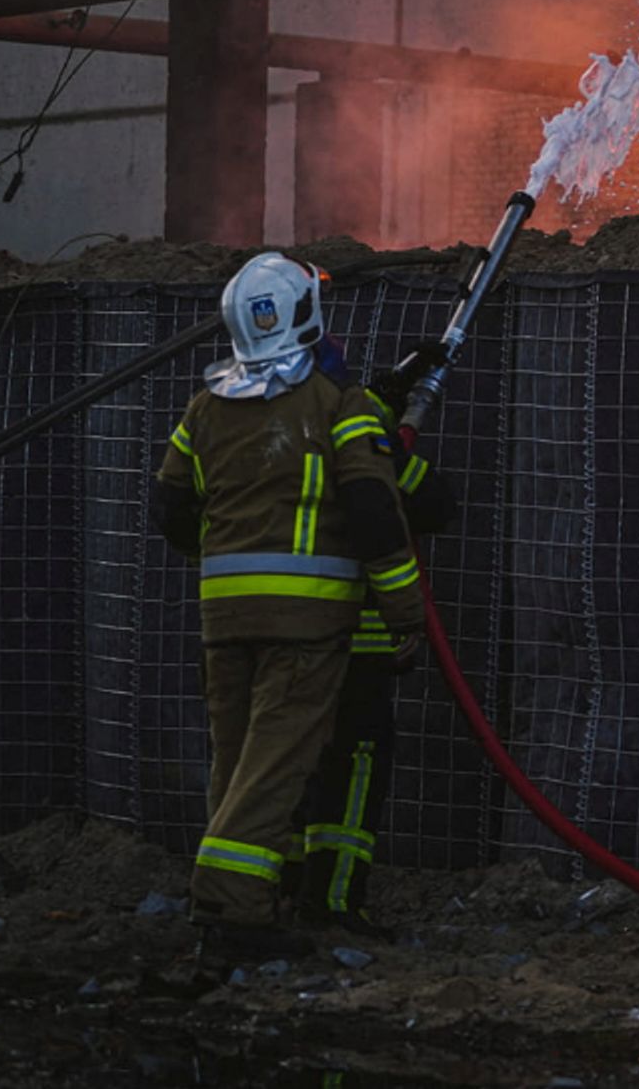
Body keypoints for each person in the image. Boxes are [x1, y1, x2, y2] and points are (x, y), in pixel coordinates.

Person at [152, 254, 429, 973]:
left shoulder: (204, 409)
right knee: (275, 765)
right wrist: (404, 612)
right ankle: (230, 906)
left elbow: (170, 510)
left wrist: (229, 559)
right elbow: (374, 514)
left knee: (238, 763)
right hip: (305, 628)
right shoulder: (336, 405)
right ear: (306, 314)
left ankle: (240, 900)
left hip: (224, 621)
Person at [295, 336, 454, 932]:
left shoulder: (246, 426)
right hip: (352, 643)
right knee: (353, 768)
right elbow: (426, 504)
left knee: (281, 766)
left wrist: (382, 403)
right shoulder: (358, 443)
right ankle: (333, 903)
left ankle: (272, 894)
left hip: (274, 639)